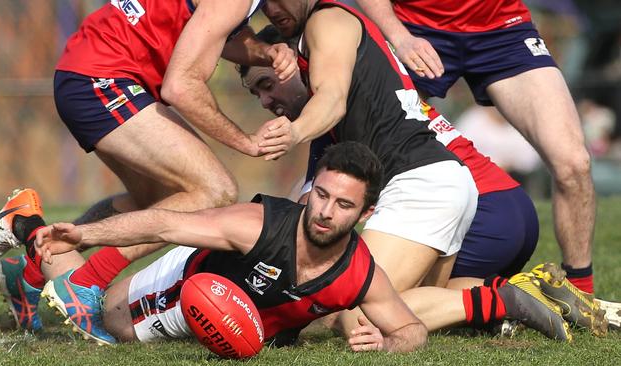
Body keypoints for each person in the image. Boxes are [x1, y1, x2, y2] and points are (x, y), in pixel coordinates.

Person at [238, 25, 606, 336]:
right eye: (256, 93)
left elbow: (308, 219)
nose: (266, 100)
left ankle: (506, 300)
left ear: (295, 61)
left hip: (478, 205)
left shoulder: (333, 101)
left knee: (358, 311)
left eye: (268, 84)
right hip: (500, 202)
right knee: (420, 298)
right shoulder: (355, 85)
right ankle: (519, 297)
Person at [0, 0, 297, 343]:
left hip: (95, 69)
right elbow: (181, 86)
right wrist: (246, 142)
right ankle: (84, 283)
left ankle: (30, 259)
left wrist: (265, 51)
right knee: (215, 190)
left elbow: (219, 30)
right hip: (104, 75)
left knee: (160, 202)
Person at [31, 142, 428, 352]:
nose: (325, 212)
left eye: (344, 205)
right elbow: (166, 224)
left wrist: (387, 342)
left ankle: (23, 274)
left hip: (232, 326)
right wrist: (86, 235)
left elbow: (413, 330)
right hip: (186, 284)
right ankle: (27, 227)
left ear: (365, 213)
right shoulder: (258, 227)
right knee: (112, 324)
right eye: (321, 195)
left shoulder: (358, 273)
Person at [355, 0, 596, 294]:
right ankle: (323, 260)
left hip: (501, 27)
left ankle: (581, 293)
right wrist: (398, 35)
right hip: (414, 27)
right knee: (367, 136)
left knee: (574, 163)